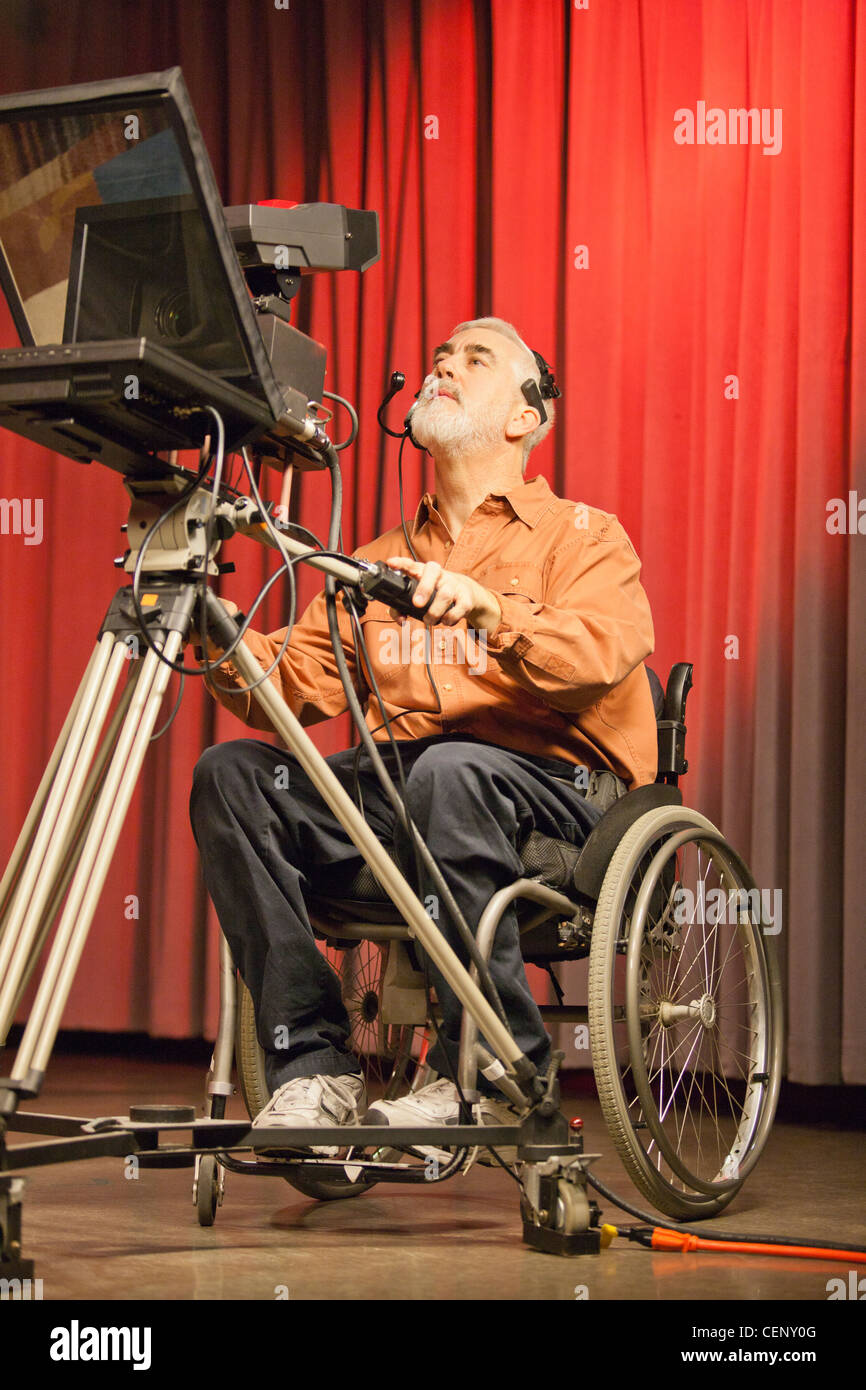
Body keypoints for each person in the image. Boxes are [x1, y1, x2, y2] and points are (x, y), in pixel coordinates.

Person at [189, 316, 657, 1152]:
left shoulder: (584, 535)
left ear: (525, 417)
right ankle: (313, 1066)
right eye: (441, 356)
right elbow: (291, 685)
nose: (445, 364)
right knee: (233, 773)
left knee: (451, 768)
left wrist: (491, 612)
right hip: (406, 792)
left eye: (475, 359)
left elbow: (600, 653)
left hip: (554, 796)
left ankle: (493, 1066)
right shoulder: (376, 562)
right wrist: (213, 629)